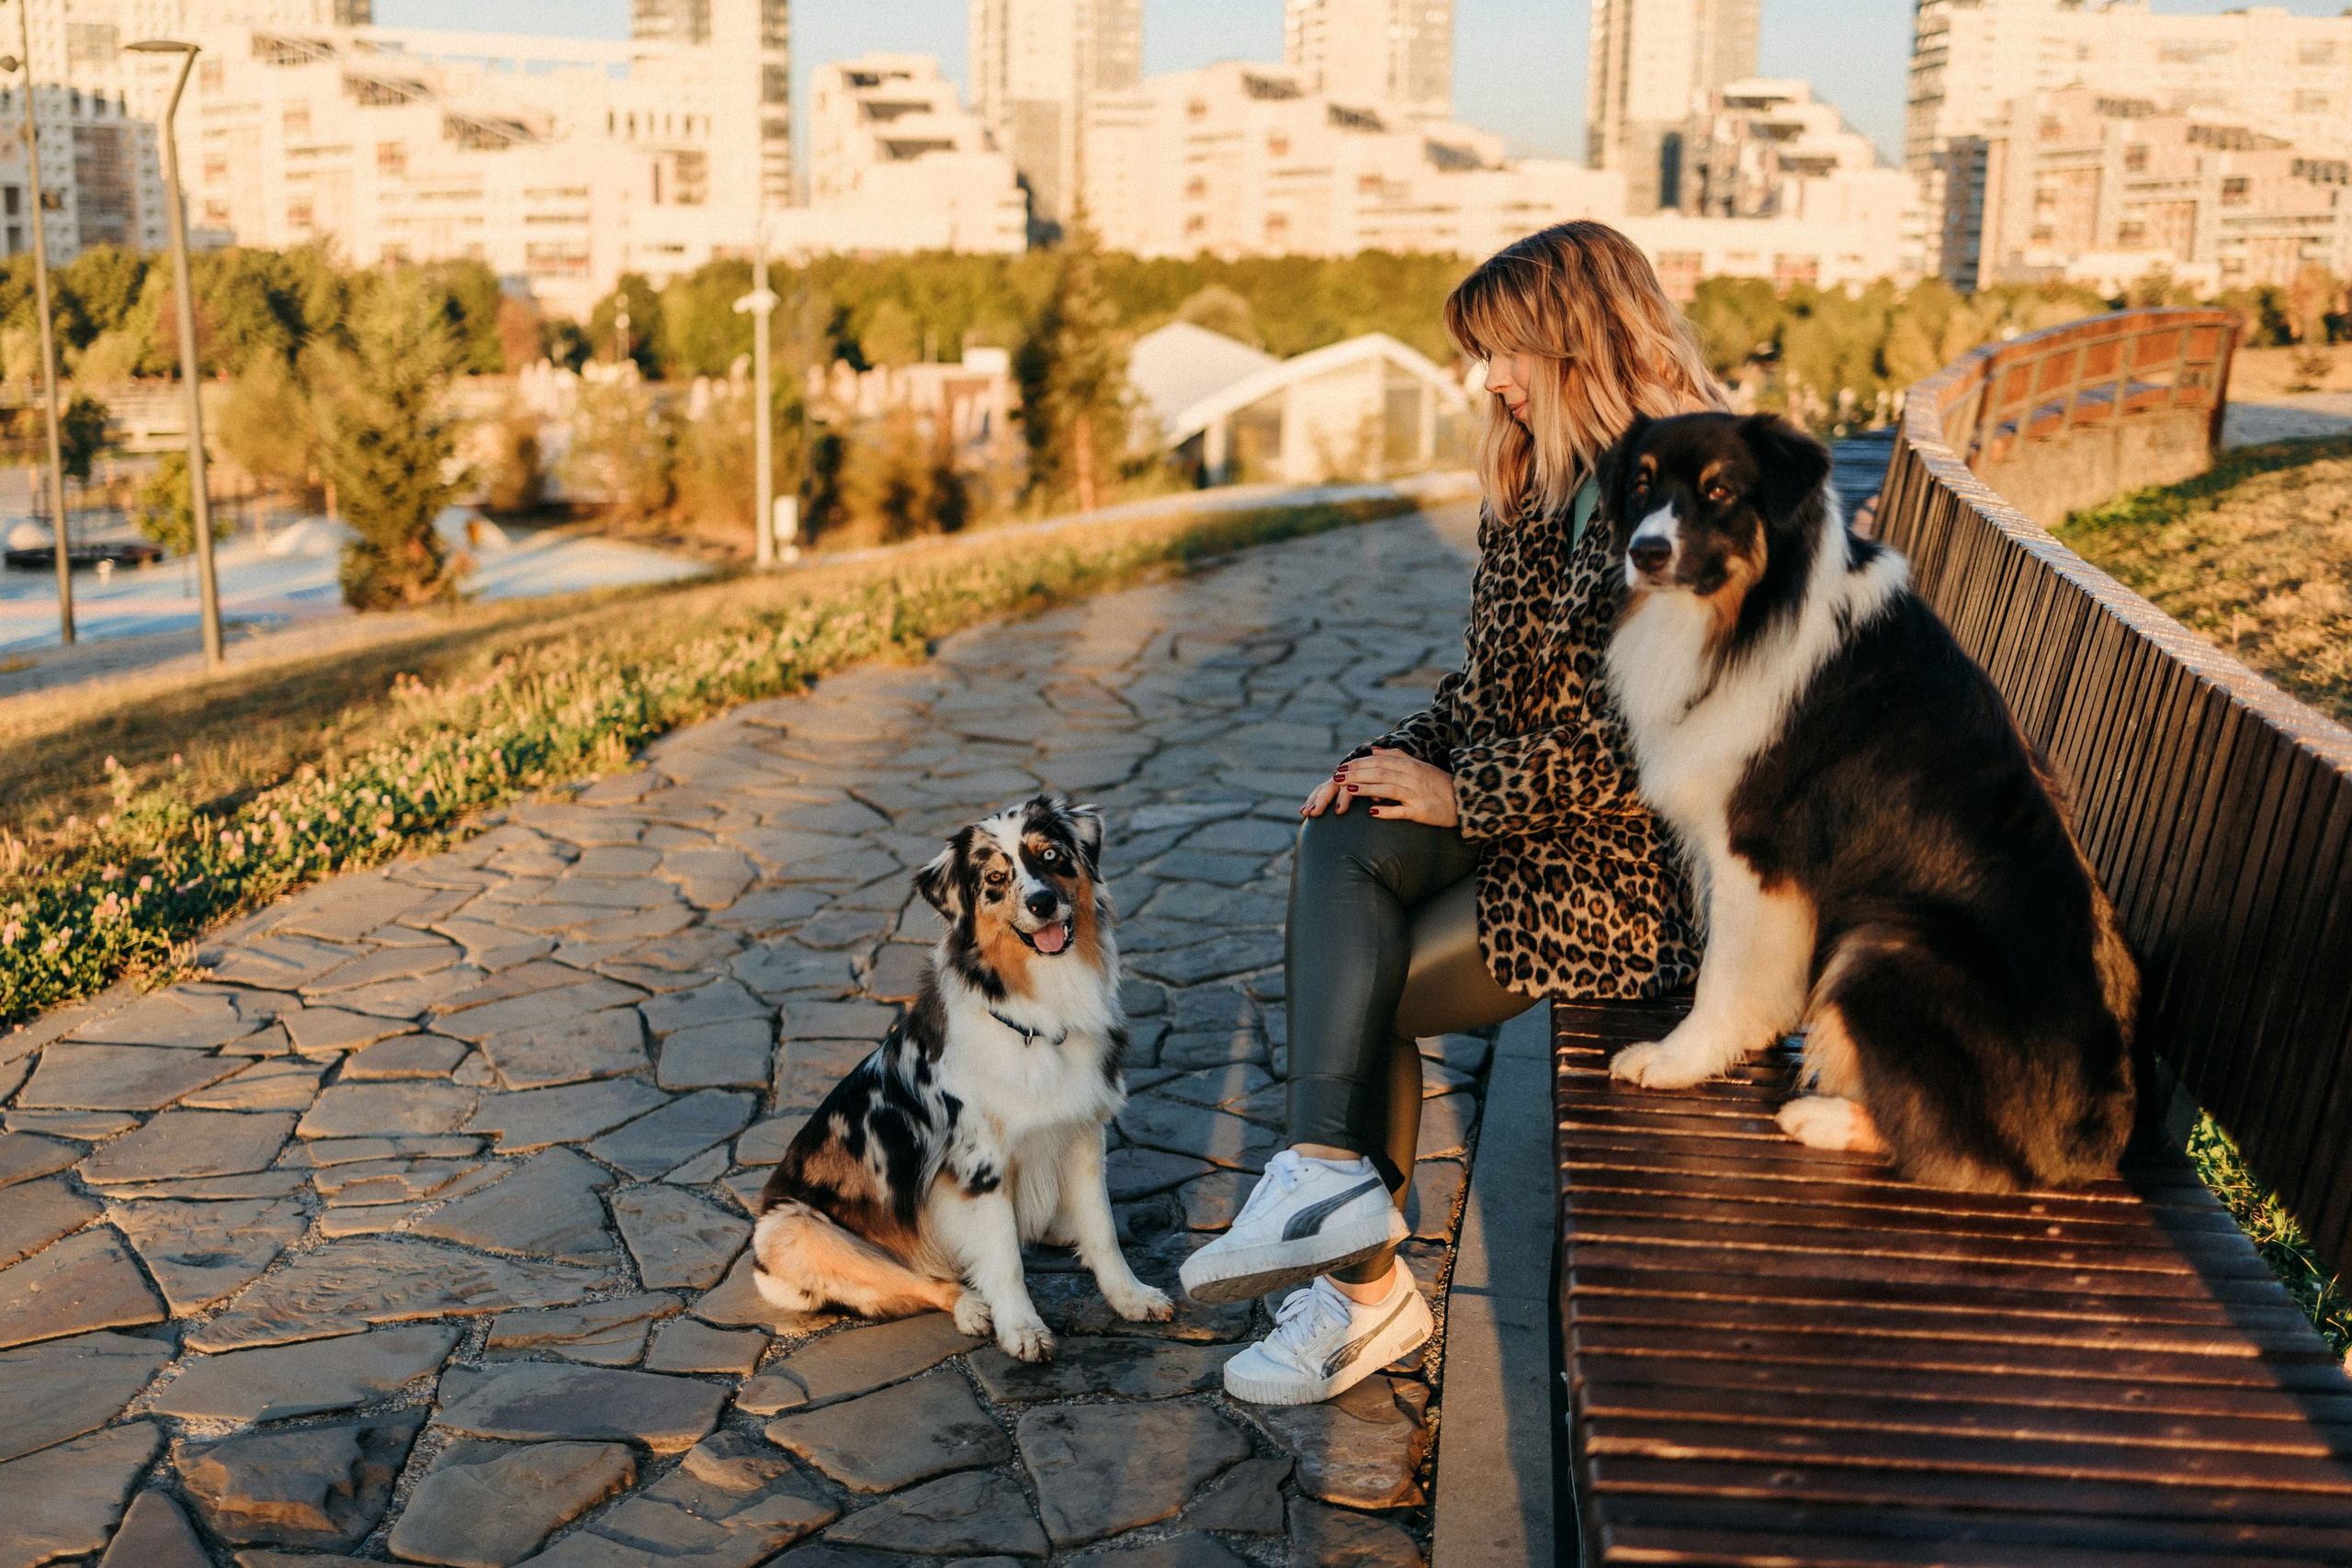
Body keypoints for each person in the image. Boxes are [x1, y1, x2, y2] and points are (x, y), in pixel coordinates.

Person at [1179, 221, 1731, 1404]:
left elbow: (1657, 743)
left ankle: (1363, 1290)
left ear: (1577, 337)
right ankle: (1332, 1187)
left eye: (1506, 352)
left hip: (1633, 872)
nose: (1490, 380)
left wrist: (1460, 795)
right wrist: (1390, 761)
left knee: (1359, 978)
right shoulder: (1536, 485)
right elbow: (1482, 692)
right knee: (1343, 832)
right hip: (1532, 831)